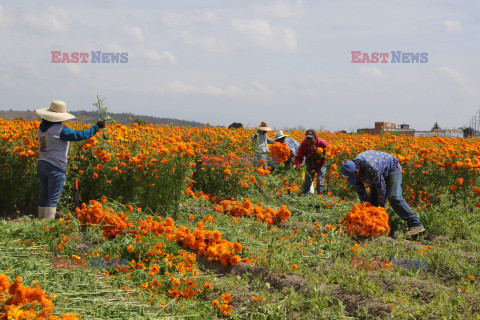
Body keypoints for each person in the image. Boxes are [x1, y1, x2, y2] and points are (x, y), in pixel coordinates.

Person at [35, 100, 106, 220]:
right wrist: (96, 127)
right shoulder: (61, 130)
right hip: (55, 167)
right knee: (53, 197)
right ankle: (46, 225)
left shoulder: (41, 128)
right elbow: (80, 135)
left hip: (42, 164)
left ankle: (40, 221)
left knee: (44, 194)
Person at [340, 150, 426, 238]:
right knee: (372, 205)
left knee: (394, 197)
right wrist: (366, 212)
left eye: (356, 176)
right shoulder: (353, 172)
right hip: (379, 172)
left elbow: (381, 189)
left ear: (357, 168)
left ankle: (416, 225)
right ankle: (376, 230)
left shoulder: (371, 167)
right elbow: (361, 193)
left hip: (392, 169)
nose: (356, 178)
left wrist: (379, 213)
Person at [294, 129, 328, 194]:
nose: (308, 140)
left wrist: (323, 156)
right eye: (307, 138)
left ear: (315, 138)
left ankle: (320, 198)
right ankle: (304, 197)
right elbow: (299, 156)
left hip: (321, 164)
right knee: (307, 182)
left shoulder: (321, 142)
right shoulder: (303, 144)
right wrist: (296, 164)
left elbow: (329, 150)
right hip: (310, 164)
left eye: (310, 138)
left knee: (320, 183)